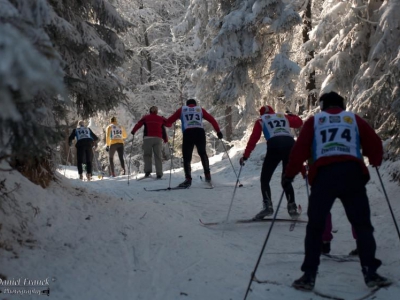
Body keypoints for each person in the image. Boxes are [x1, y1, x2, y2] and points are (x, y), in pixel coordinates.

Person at [282, 91, 389, 290]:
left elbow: (300, 149)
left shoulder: (316, 120)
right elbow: (374, 142)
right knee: (362, 224)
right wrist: (375, 159)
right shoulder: (353, 119)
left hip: (324, 176)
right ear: (342, 105)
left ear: (322, 106)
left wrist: (289, 174)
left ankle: (309, 276)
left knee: (315, 226)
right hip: (352, 174)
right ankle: (371, 272)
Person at [239, 105, 303, 219]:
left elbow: (254, 139)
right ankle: (292, 206)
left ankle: (268, 206)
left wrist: (245, 156)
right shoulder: (283, 117)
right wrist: (292, 115)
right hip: (290, 145)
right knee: (286, 179)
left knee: (265, 179)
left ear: (262, 114)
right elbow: (299, 122)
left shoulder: (261, 120)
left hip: (275, 146)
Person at [166, 99, 223, 187]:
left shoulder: (182, 109)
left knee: (187, 156)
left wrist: (164, 121)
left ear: (187, 105)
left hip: (188, 133)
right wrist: (218, 131)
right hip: (199, 132)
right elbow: (212, 120)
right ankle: (208, 176)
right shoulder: (199, 109)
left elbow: (168, 122)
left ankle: (188, 179)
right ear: (195, 104)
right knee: (202, 153)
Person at [131, 106, 169, 179]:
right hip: (158, 138)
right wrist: (164, 118)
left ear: (150, 111)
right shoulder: (160, 118)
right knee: (158, 156)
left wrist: (133, 131)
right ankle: (159, 173)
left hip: (147, 138)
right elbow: (168, 124)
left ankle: (148, 172)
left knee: (147, 155)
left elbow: (139, 124)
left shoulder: (146, 117)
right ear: (157, 111)